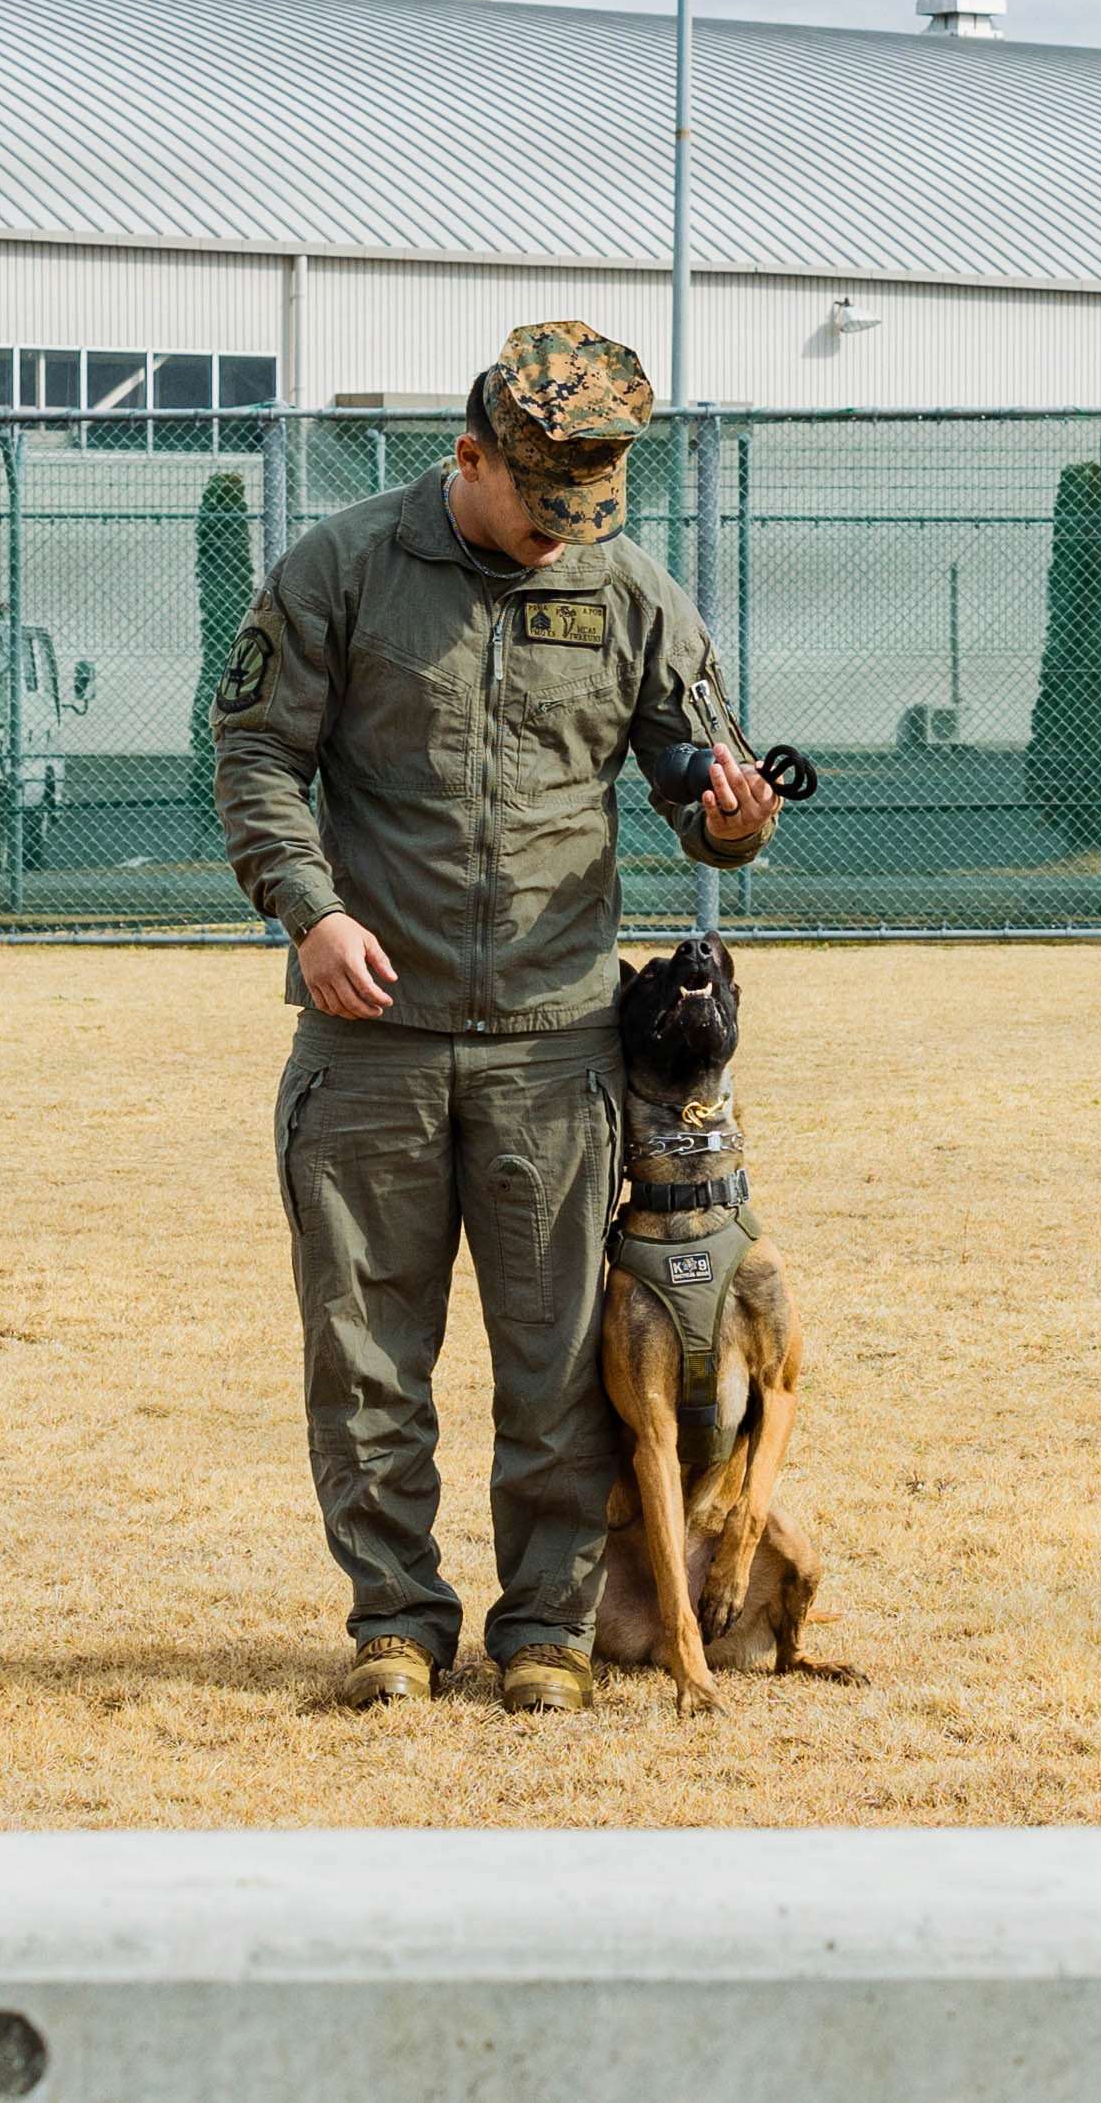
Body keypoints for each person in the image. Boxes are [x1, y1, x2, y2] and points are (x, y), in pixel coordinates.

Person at [209, 321, 785, 1714]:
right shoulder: (338, 570)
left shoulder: (629, 588)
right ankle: (396, 1622)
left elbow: (695, 777)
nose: (560, 542)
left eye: (588, 518)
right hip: (372, 1043)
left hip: (557, 1046)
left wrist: (733, 822)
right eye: (542, 514)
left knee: (555, 1362)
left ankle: (549, 1633)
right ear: (469, 456)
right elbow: (255, 752)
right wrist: (311, 908)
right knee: (364, 1355)